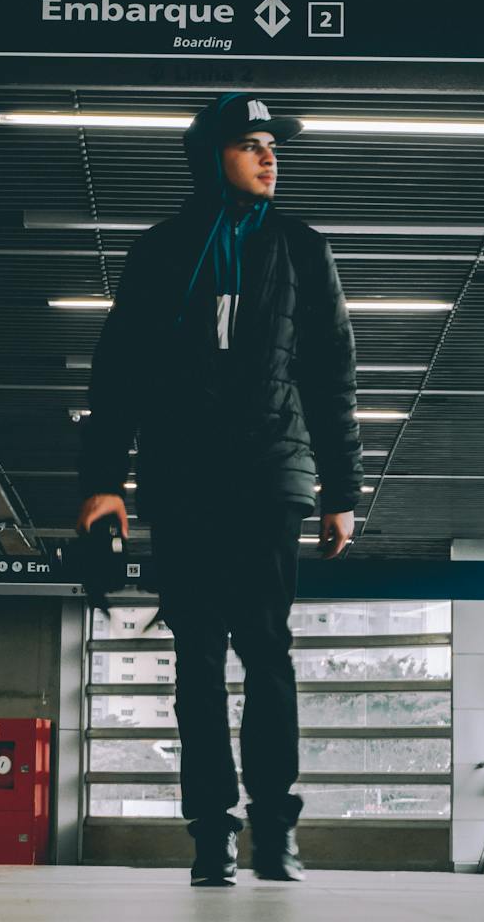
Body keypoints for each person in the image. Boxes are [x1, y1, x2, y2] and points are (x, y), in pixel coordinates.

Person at [75, 93, 363, 886]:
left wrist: (342, 487)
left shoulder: (303, 248)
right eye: (250, 145)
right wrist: (103, 481)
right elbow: (119, 370)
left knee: (266, 649)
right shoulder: (162, 251)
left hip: (272, 474)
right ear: (210, 158)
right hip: (183, 478)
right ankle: (211, 836)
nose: (271, 157)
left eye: (273, 145)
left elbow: (331, 373)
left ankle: (275, 832)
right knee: (197, 660)